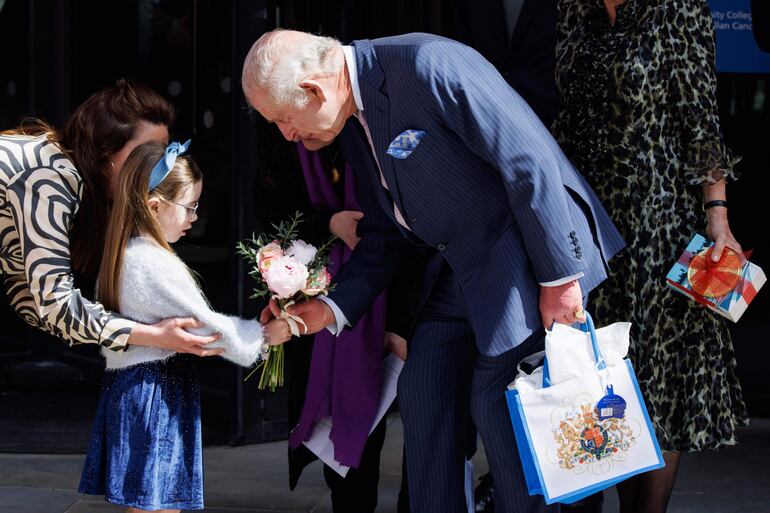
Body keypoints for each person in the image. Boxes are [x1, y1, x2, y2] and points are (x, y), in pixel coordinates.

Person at [242, 30, 625, 513]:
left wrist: (560, 279)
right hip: (460, 268)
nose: (287, 135)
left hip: (524, 256)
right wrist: (325, 310)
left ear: (314, 90)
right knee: (422, 388)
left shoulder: (427, 64)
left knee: (497, 400)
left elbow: (531, 160)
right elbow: (384, 233)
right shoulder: (351, 116)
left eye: (283, 118)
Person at [552, 1, 748, 512]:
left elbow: (701, 122)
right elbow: (563, 120)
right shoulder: (574, 10)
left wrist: (717, 215)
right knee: (606, 379)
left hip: (658, 228)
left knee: (660, 381)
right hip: (589, 231)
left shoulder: (678, 9)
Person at [78, 141, 291, 511]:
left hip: (138, 387)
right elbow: (203, 328)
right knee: (158, 502)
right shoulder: (150, 262)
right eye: (190, 206)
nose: (195, 216)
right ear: (154, 206)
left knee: (150, 501)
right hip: (155, 391)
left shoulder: (127, 254)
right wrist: (265, 336)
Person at [0, 80, 225, 358]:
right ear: (106, 152)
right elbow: (53, 302)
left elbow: (29, 296)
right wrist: (152, 335)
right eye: (146, 152)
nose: (160, 166)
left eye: (164, 151)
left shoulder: (62, 174)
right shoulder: (50, 177)